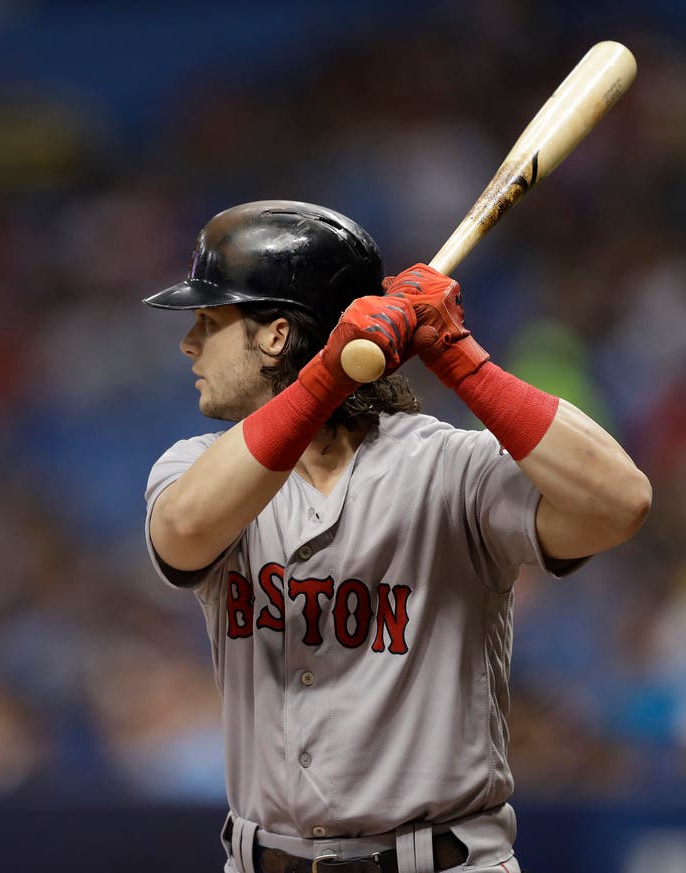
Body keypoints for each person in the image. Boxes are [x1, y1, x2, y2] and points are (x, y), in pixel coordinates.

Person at [141, 200, 651, 873]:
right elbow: (184, 530)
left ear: (275, 335)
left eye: (210, 321)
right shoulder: (197, 466)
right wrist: (327, 376)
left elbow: (620, 501)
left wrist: (459, 357)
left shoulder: (449, 467)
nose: (189, 343)